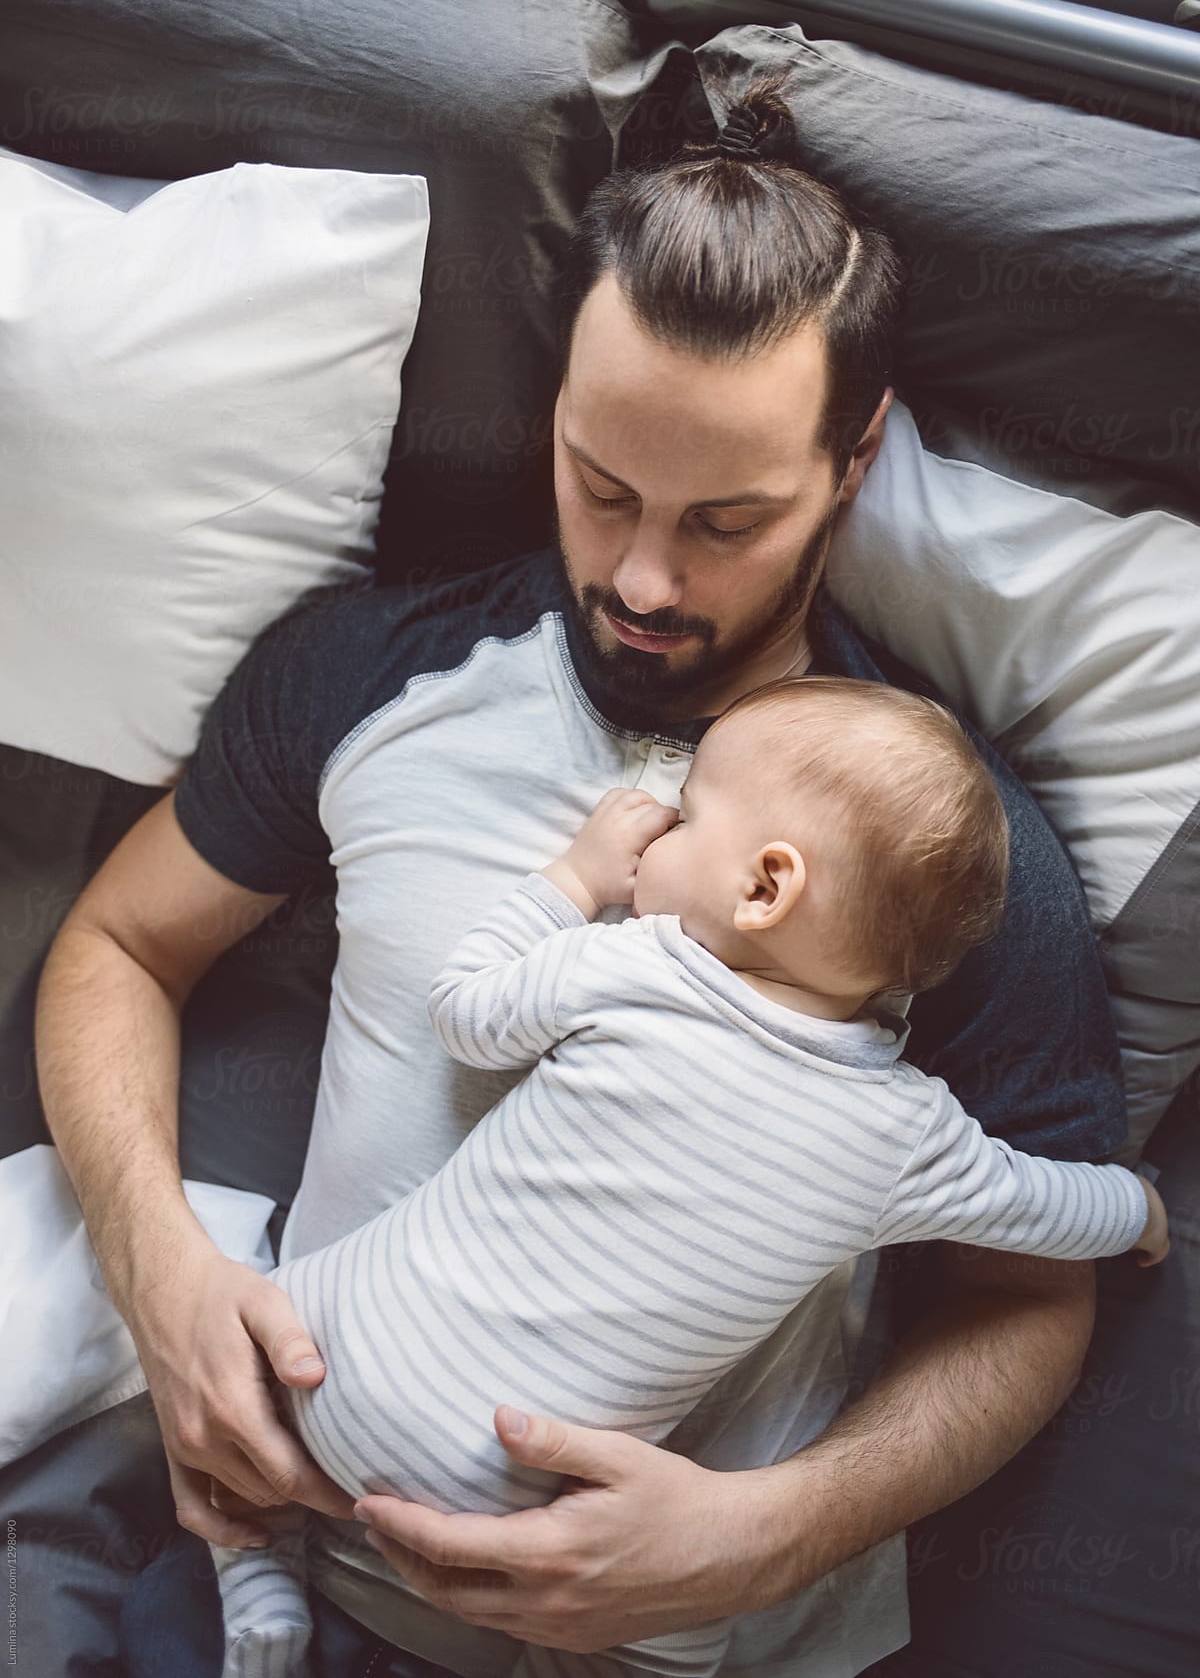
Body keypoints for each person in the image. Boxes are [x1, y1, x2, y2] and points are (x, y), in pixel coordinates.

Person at [37, 83, 1131, 1677]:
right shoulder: (370, 673)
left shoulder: (937, 860)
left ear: (854, 459)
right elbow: (121, 947)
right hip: (280, 1560)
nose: (639, 577)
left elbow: (1033, 1296)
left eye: (726, 521)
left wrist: (771, 1531)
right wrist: (160, 1275)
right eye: (601, 481)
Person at [206, 678, 1167, 1678]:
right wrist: (1137, 1210)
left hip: (325, 1353)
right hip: (518, 1484)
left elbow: (466, 1010)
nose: (656, 830)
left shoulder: (639, 967)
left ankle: (254, 1567)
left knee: (250, 1300)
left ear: (764, 886)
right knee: (682, 1634)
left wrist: (572, 880)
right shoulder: (913, 1139)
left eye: (688, 815)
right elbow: (1049, 1204)